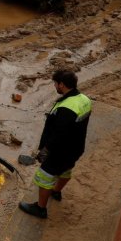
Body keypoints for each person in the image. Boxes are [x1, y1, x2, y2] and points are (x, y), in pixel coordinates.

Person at [19, 69, 91, 219]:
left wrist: (45, 150)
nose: (55, 86)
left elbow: (59, 134)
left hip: (60, 151)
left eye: (55, 84)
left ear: (62, 85)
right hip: (76, 148)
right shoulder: (84, 99)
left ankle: (40, 209)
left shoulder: (66, 109)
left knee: (44, 176)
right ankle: (56, 191)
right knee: (65, 170)